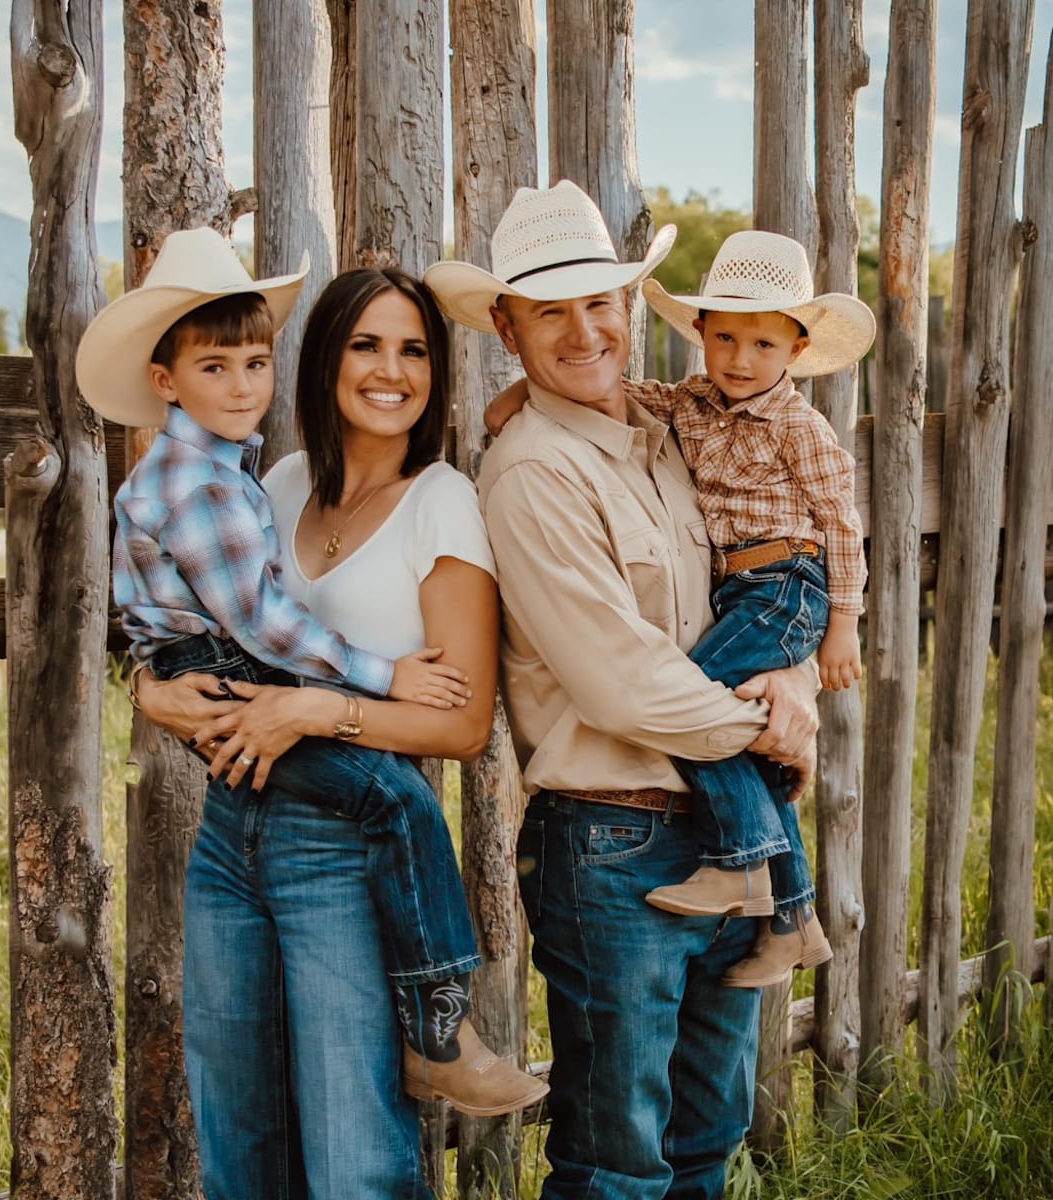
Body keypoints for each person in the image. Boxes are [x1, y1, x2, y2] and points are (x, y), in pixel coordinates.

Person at [86, 254, 546, 1198]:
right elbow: (202, 628)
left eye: (414, 350)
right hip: (229, 838)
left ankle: (444, 1030)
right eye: (367, 345)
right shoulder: (280, 481)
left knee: (351, 1160)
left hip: (343, 847)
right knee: (240, 1138)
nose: (392, 370)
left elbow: (459, 727)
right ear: (327, 360)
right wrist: (148, 690)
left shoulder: (442, 504)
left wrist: (318, 708)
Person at [424, 179, 820, 1199]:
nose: (583, 328)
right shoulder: (532, 470)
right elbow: (622, 684)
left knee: (706, 1135)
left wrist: (798, 680)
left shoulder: (680, 439)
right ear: (507, 328)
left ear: (632, 307)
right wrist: (766, 730)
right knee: (618, 1160)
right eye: (550, 309)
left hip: (725, 833)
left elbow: (772, 573)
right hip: (615, 844)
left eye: (600, 301)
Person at [485, 228, 875, 988]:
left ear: (795, 349)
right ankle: (786, 907)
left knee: (715, 1107)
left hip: (784, 590)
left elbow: (841, 525)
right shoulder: (665, 420)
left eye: (763, 343)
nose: (739, 358)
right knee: (624, 1106)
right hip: (617, 825)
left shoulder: (785, 428)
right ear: (698, 334)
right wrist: (778, 730)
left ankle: (757, 881)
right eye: (724, 337)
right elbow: (627, 690)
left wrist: (826, 644)